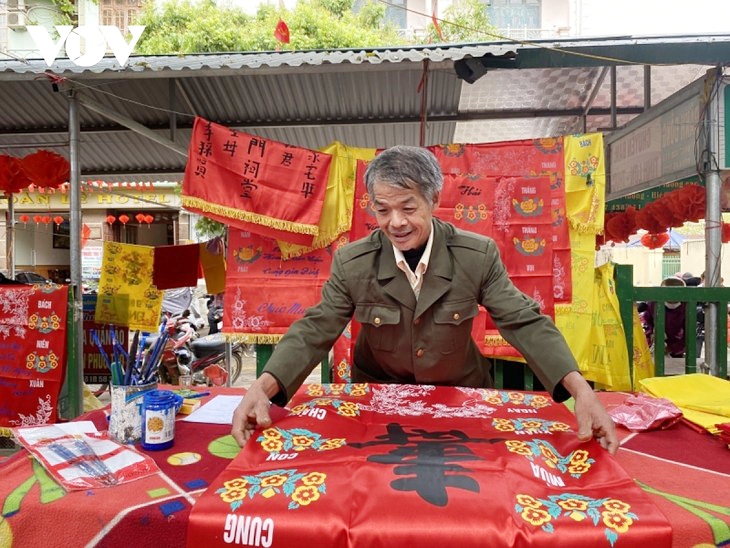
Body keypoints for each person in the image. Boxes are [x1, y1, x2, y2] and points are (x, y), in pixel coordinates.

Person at [231, 145, 618, 454]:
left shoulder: (476, 255)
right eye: (382, 210)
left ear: (433, 200)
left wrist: (582, 391)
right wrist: (261, 388)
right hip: (379, 401)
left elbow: (523, 320)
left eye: (408, 208)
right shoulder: (353, 261)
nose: (395, 223)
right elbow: (317, 327)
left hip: (461, 398)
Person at [644, 276, 687, 358]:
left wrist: (672, 348)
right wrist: (651, 335)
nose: (673, 298)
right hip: (655, 344)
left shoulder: (686, 306)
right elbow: (647, 322)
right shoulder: (653, 304)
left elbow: (688, 335)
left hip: (676, 347)